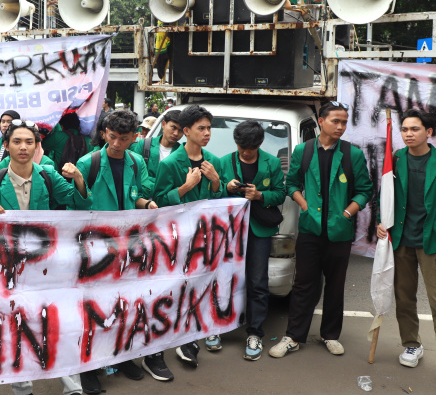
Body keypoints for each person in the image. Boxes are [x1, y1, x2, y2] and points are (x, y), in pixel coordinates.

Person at [270, 102, 373, 359]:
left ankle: (331, 335)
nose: (340, 127)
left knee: (336, 286)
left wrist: (348, 212)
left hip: (339, 232)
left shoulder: (352, 154)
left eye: (344, 122)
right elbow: (291, 183)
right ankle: (293, 336)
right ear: (321, 121)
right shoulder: (303, 151)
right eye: (335, 121)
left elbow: (365, 190)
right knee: (304, 285)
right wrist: (303, 204)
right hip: (310, 231)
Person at [375, 110, 436, 392]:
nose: (408, 134)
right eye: (404, 129)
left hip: (432, 242)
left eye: (415, 129)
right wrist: (383, 222)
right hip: (401, 241)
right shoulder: (396, 159)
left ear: (429, 132)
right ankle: (412, 345)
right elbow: (386, 197)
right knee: (404, 299)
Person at [74, 110, 156, 391]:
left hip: (128, 247)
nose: (117, 144)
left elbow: (143, 192)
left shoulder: (136, 162)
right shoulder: (89, 162)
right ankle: (89, 367)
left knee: (124, 304)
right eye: (112, 137)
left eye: (124, 138)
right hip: (96, 249)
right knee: (94, 309)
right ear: (104, 132)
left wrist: (146, 204)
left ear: (135, 137)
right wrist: (81, 186)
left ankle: (121, 357)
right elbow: (76, 205)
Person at [153, 104, 224, 369]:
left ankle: (189, 341)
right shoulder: (171, 163)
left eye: (209, 128)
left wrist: (215, 182)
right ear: (186, 131)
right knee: (175, 287)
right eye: (201, 128)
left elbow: (220, 202)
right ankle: (169, 339)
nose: (207, 133)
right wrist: (186, 186)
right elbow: (159, 201)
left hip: (204, 237)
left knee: (199, 285)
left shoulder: (213, 161)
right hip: (177, 237)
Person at [217, 121, 286, 359]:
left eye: (250, 147)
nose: (245, 151)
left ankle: (255, 332)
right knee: (225, 278)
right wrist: (226, 187)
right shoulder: (224, 161)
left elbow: (280, 193)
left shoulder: (272, 162)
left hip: (259, 231)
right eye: (241, 146)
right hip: (230, 230)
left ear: (259, 144)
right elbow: (213, 193)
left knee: (258, 283)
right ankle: (217, 327)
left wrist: (260, 195)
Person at [129, 109, 183, 195]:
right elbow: (133, 175)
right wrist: (164, 186)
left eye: (180, 130)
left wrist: (148, 180)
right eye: (173, 128)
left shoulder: (182, 153)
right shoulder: (144, 145)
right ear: (164, 124)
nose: (176, 133)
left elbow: (179, 183)